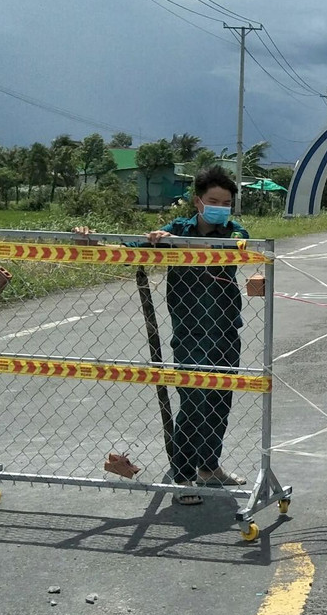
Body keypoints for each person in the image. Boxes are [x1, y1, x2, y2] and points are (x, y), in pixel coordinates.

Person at [78, 165, 249, 504]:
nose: (220, 207)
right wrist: (95, 241)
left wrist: (180, 245)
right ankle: (183, 477)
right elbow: (132, 249)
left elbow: (234, 249)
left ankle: (209, 467)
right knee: (193, 403)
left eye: (226, 202)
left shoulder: (234, 231)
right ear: (198, 202)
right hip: (190, 334)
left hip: (227, 331)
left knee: (220, 402)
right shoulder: (175, 229)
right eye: (213, 200)